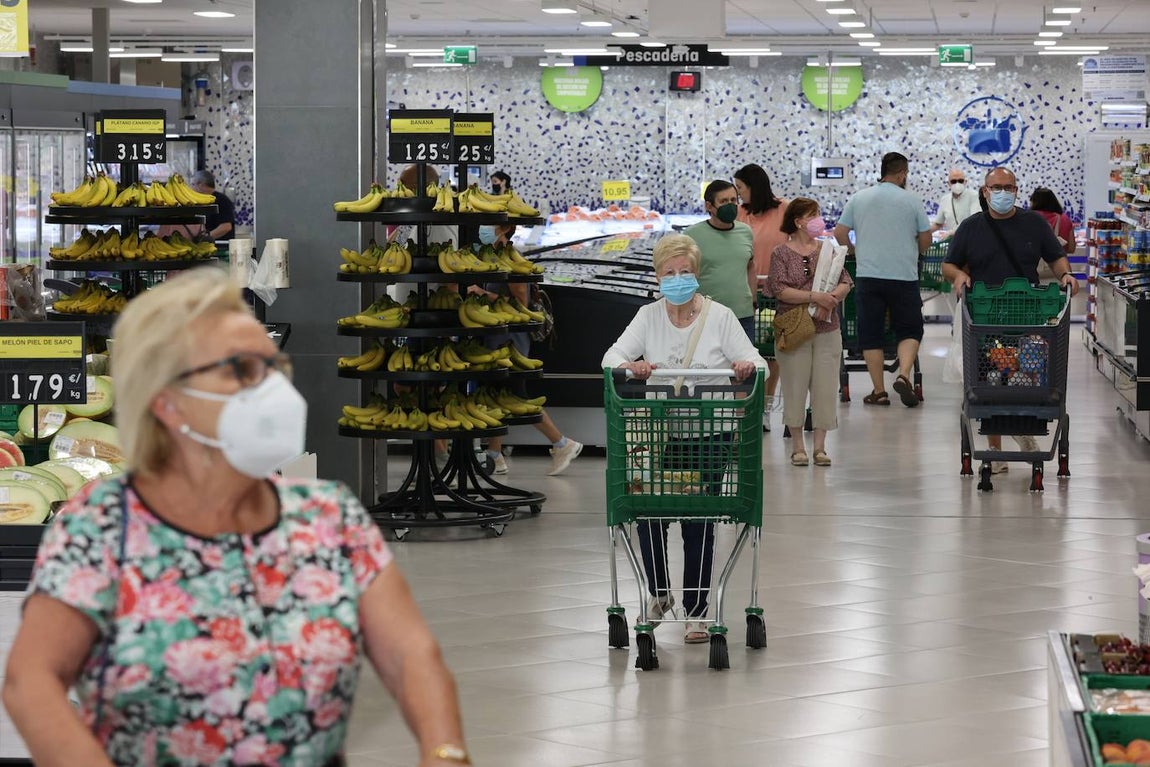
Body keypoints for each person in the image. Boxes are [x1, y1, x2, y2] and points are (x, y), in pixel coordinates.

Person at [2, 269, 470, 766]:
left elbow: (410, 655)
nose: (269, 389)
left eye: (272, 367)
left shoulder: (329, 517)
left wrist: (446, 752)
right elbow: (33, 681)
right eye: (241, 370)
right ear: (166, 401)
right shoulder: (101, 529)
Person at [601, 234, 766, 644]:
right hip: (656, 433)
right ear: (658, 276)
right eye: (669, 273)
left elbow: (757, 361)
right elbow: (611, 357)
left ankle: (696, 609)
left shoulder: (721, 317)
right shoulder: (648, 316)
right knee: (649, 509)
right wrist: (631, 367)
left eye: (685, 272)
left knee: (698, 515)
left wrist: (745, 365)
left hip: (711, 432)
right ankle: (658, 593)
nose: (677, 279)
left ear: (697, 273)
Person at [942, 167, 1080, 472]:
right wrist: (960, 274)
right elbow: (948, 265)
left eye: (1009, 187)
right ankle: (995, 450)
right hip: (983, 315)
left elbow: (1055, 256)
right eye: (997, 187)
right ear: (985, 191)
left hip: (1027, 313)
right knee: (989, 380)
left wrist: (1066, 274)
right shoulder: (971, 227)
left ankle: (1024, 430)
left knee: (1027, 376)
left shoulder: (1033, 224)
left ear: (1017, 190)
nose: (1003, 192)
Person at [472, 223, 582, 476]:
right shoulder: (494, 257)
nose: (484, 230)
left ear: (505, 229)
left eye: (491, 226)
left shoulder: (513, 260)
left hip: (512, 340)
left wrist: (480, 293)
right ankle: (495, 455)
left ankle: (562, 443)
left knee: (516, 396)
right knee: (498, 395)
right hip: (499, 337)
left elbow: (520, 303)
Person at [833, 151, 932, 408]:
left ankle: (879, 391)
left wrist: (854, 251)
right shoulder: (912, 200)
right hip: (903, 276)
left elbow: (840, 231)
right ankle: (903, 375)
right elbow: (925, 241)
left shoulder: (859, 197)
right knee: (910, 329)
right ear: (902, 174)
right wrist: (915, 248)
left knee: (870, 334)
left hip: (868, 276)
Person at [768, 198, 853, 467]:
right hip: (794, 329)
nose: (818, 219)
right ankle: (797, 446)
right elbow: (779, 289)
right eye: (812, 215)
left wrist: (833, 298)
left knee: (825, 387)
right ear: (798, 221)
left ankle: (820, 447)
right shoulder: (780, 254)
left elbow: (845, 281)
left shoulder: (829, 250)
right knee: (794, 385)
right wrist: (815, 296)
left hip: (828, 329)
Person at [733, 163, 787, 431]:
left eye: (740, 188)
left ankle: (764, 407)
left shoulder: (784, 209)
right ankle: (743, 409)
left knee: (771, 355)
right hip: (743, 293)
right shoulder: (738, 214)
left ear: (754, 186)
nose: (738, 194)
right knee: (742, 355)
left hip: (777, 293)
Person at [685, 180, 756, 343]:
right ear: (709, 206)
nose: (730, 205)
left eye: (733, 200)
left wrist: (752, 302)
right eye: (723, 201)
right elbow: (684, 274)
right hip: (705, 317)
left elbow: (750, 267)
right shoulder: (691, 236)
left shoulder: (745, 232)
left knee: (745, 366)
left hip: (743, 317)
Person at [931, 168, 981, 234]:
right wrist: (921, 233)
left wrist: (952, 232)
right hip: (953, 241)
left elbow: (974, 221)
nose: (957, 184)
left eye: (960, 181)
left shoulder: (974, 196)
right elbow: (938, 224)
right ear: (948, 183)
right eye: (953, 181)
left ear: (965, 182)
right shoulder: (945, 199)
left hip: (971, 239)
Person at [1030, 187, 1077, 256]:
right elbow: (1071, 248)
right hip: (1059, 263)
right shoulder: (1065, 219)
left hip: (1034, 263)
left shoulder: (1030, 217)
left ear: (1034, 202)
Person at [190, 170, 236, 241]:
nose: (191, 188)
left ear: (201, 185)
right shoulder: (198, 202)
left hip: (220, 246)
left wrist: (205, 238)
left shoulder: (222, 200)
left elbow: (226, 227)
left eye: (193, 184)